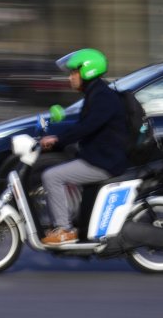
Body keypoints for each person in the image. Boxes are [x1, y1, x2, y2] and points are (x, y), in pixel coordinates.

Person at [39, 48, 128, 245]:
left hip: (104, 162)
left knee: (51, 176)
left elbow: (86, 127)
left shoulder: (102, 97)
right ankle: (74, 220)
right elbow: (83, 126)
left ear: (87, 71)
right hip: (99, 156)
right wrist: (58, 138)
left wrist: (58, 140)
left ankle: (64, 229)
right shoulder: (95, 94)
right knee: (62, 167)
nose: (70, 77)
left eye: (73, 72)